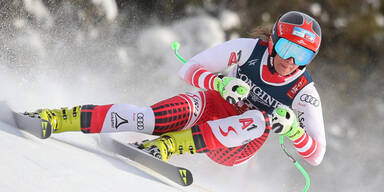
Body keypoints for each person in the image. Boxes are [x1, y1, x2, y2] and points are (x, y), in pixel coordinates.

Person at [33, 11, 326, 166]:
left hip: (233, 147)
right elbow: (188, 68)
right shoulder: (248, 50)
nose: (291, 61)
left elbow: (316, 155)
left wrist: (295, 132)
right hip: (209, 110)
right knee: (147, 118)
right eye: (288, 48)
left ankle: (168, 146)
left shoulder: (304, 93)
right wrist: (219, 82)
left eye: (303, 56)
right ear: (273, 42)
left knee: (260, 119)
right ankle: (56, 117)